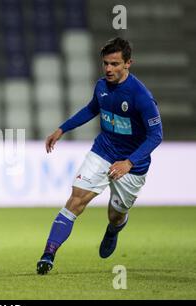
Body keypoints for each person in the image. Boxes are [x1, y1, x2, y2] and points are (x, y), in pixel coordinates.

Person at [36, 37, 163, 275]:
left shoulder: (141, 96)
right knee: (75, 200)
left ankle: (114, 229)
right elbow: (92, 109)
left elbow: (156, 135)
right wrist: (62, 128)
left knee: (115, 215)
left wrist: (129, 162)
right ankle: (48, 254)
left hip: (132, 165)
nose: (108, 69)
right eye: (105, 63)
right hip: (103, 151)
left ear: (128, 64)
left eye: (115, 64)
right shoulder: (101, 86)